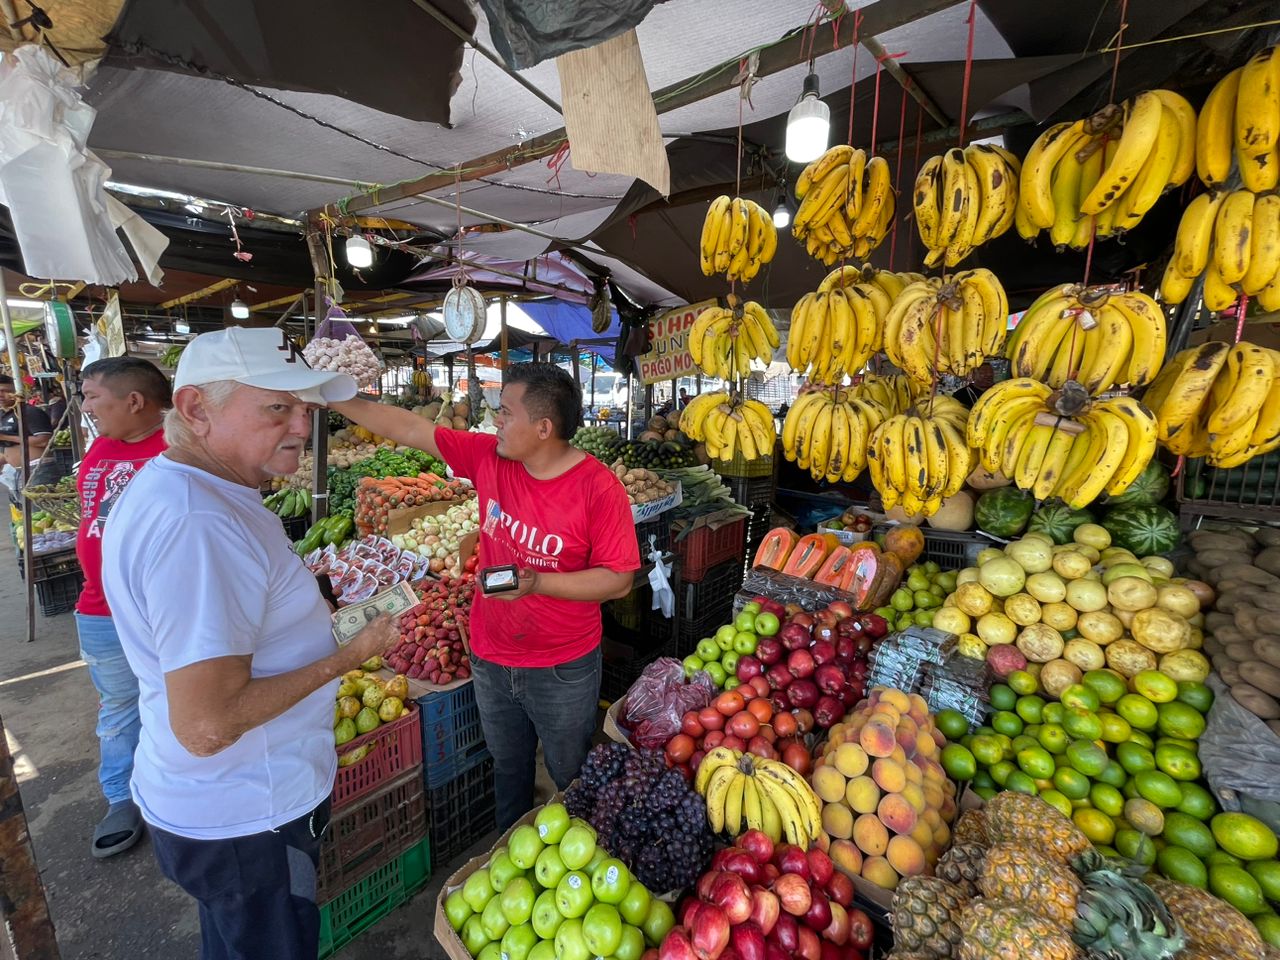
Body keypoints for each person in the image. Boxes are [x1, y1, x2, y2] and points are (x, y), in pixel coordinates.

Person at [101, 328, 397, 960]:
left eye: (306, 408)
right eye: (276, 407)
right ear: (195, 410)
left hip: (220, 808)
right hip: (246, 816)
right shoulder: (198, 525)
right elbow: (207, 724)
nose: (300, 425)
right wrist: (345, 658)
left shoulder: (197, 491)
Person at [332, 363, 639, 829]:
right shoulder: (489, 458)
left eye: (506, 412)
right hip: (491, 656)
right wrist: (333, 398)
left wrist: (539, 582)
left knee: (570, 776)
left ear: (543, 427)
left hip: (561, 667)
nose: (495, 419)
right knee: (508, 768)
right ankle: (506, 853)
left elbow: (617, 579)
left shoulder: (598, 488)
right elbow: (411, 428)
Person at [74, 357, 172, 858]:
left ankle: (171, 790)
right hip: (98, 606)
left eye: (93, 396)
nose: (85, 406)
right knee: (116, 707)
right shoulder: (101, 446)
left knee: (174, 697)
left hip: (166, 608)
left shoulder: (183, 446)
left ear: (134, 401)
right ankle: (120, 797)